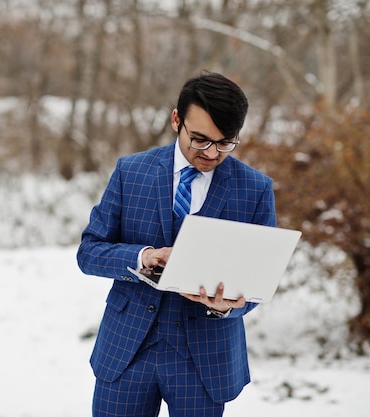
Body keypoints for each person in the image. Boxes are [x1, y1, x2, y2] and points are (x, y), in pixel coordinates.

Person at [77, 72, 277, 417]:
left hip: (204, 361)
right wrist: (142, 257)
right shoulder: (131, 171)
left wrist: (227, 306)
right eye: (199, 139)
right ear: (176, 120)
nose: (212, 153)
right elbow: (89, 252)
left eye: (225, 142)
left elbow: (258, 283)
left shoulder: (256, 189)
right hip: (126, 351)